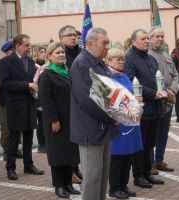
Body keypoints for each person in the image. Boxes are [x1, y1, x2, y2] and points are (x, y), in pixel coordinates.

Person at [70, 27, 118, 200]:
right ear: (90, 43)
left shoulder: (99, 62)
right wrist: (113, 117)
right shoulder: (81, 64)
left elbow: (109, 92)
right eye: (104, 43)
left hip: (103, 127)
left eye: (108, 43)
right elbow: (87, 100)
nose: (107, 47)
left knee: (103, 175)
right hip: (90, 128)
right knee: (92, 177)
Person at [0, 34, 45, 180]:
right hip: (16, 105)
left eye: (29, 45)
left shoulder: (31, 63)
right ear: (17, 46)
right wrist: (27, 85)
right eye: (26, 45)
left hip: (30, 103)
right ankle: (10, 168)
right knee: (13, 138)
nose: (29, 48)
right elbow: (5, 84)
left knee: (29, 137)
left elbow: (34, 79)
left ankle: (28, 164)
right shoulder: (6, 62)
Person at [124, 29, 165, 189]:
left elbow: (158, 80)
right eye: (143, 38)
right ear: (134, 41)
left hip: (155, 108)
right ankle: (139, 176)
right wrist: (154, 93)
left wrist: (163, 90)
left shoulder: (151, 59)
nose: (147, 41)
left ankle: (148, 173)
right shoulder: (129, 59)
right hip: (141, 109)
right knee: (140, 145)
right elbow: (131, 83)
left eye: (148, 38)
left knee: (149, 144)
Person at [39, 42, 80, 199]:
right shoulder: (47, 75)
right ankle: (59, 186)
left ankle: (68, 183)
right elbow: (46, 100)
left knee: (69, 153)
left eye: (62, 52)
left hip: (70, 120)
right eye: (57, 53)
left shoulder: (65, 72)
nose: (62, 55)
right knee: (57, 155)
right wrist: (54, 120)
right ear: (49, 56)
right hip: (56, 121)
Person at [106, 48, 143, 199]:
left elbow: (130, 95)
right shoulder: (108, 78)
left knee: (128, 155)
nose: (121, 62)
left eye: (122, 59)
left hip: (130, 121)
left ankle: (124, 185)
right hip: (118, 122)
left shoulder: (125, 76)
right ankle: (114, 188)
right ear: (108, 61)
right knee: (117, 157)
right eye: (117, 59)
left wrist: (136, 100)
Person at [148, 27, 179, 173]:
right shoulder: (147, 55)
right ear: (150, 37)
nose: (160, 39)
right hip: (156, 98)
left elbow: (176, 75)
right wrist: (164, 91)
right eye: (157, 36)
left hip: (169, 99)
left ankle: (159, 159)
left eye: (162, 36)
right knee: (152, 132)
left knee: (163, 131)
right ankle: (151, 162)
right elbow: (148, 78)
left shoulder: (166, 55)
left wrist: (172, 90)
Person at [58, 25, 82, 184]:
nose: (73, 37)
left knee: (78, 137)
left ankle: (76, 167)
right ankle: (70, 171)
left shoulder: (81, 53)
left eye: (74, 35)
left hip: (81, 100)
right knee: (69, 139)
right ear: (61, 38)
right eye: (69, 35)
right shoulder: (61, 55)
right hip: (67, 102)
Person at [0, 41, 24, 161]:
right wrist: (1, 99)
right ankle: (6, 150)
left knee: (19, 126)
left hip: (18, 100)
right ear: (5, 52)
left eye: (13, 50)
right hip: (6, 102)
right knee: (6, 127)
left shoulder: (20, 63)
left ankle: (16, 148)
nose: (12, 53)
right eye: (10, 51)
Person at [34, 46, 46, 153]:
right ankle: (41, 144)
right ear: (37, 54)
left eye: (44, 52)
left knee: (46, 121)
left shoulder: (47, 66)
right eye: (41, 52)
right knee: (41, 122)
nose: (43, 53)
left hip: (46, 97)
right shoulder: (35, 66)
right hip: (38, 98)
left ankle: (46, 142)